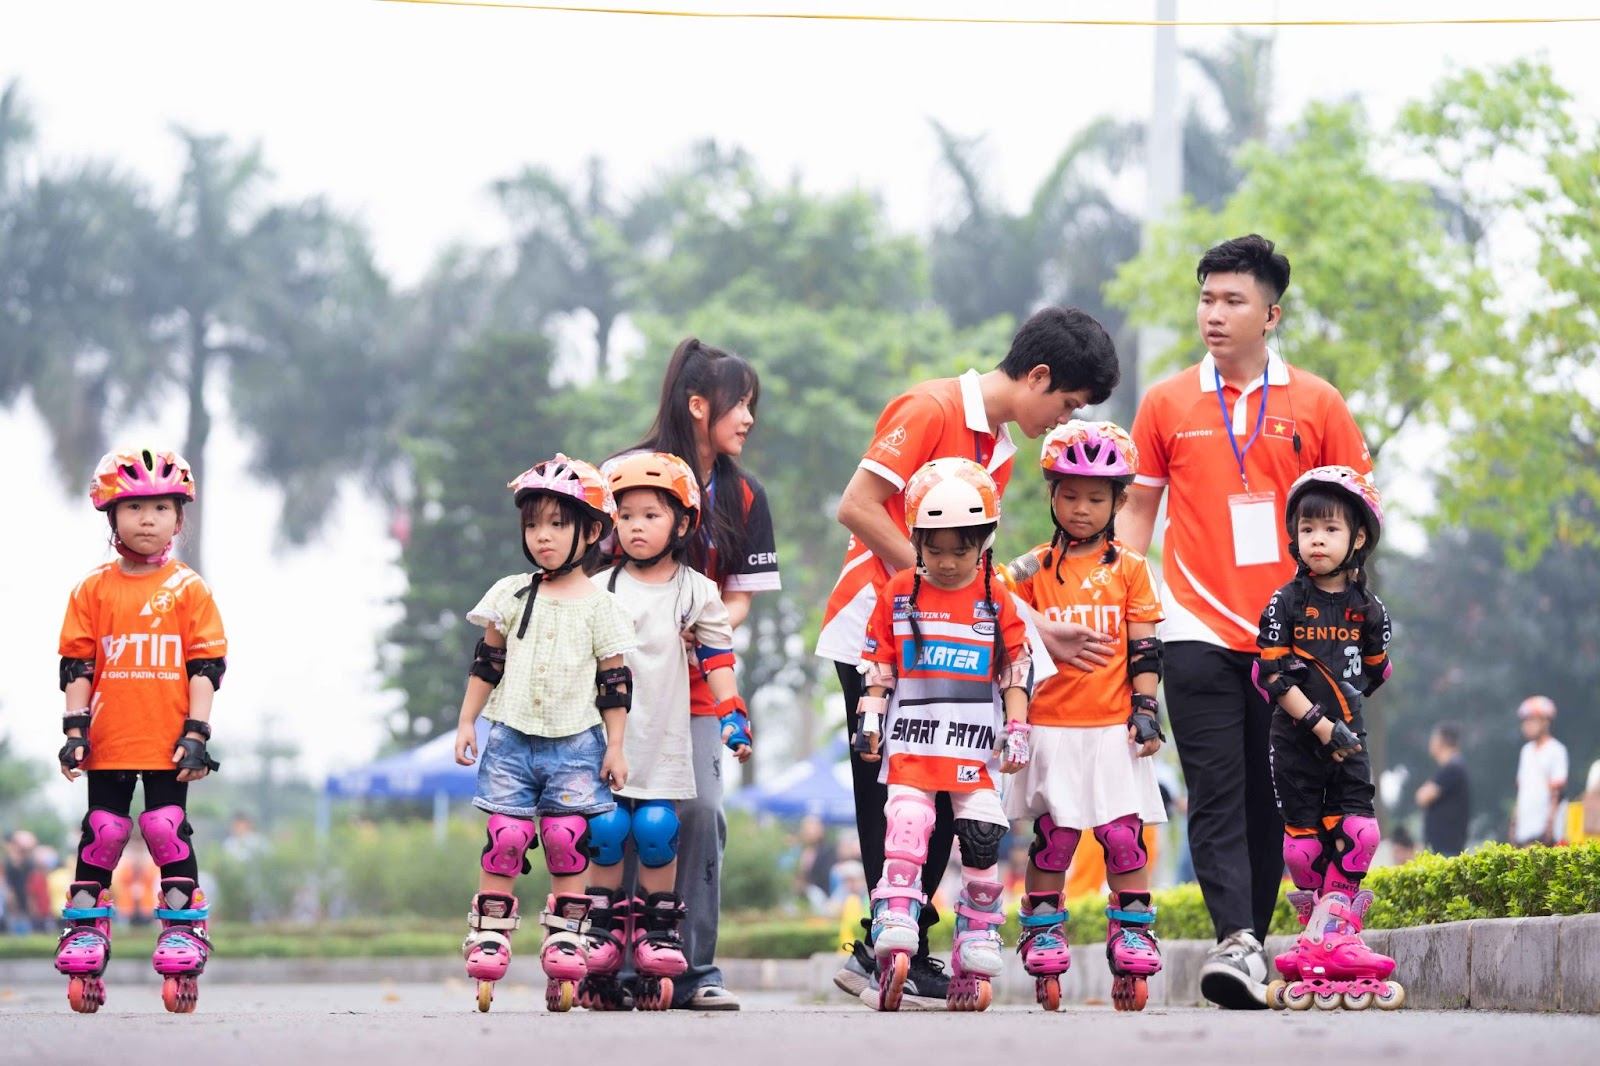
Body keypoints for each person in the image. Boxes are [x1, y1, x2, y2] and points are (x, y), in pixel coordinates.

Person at [818, 307, 1122, 1007]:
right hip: (882, 632)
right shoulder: (929, 408)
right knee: (896, 795)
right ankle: (884, 946)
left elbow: (972, 568)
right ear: (1039, 376)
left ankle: (895, 942)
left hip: (948, 645)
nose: (1064, 418)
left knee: (955, 786)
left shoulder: (1002, 450)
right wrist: (925, 591)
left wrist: (1037, 626)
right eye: (1068, 403)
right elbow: (858, 506)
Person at [1120, 235, 1374, 1009]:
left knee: (1277, 797)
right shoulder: (1165, 402)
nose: (1215, 314)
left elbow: (1359, 516)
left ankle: (1254, 945)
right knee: (1216, 788)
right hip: (1193, 625)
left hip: (1290, 646)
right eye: (1207, 299)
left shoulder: (1319, 403)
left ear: (1272, 314)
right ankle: (1236, 937)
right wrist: (1130, 613)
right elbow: (1136, 511)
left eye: (1233, 301)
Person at [609, 337, 781, 1010]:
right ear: (699, 404)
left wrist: (703, 631)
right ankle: (616, 963)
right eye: (740, 405)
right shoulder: (623, 476)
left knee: (700, 812)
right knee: (621, 815)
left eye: (753, 408)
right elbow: (587, 572)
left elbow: (737, 596)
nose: (749, 420)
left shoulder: (744, 494)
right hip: (623, 688)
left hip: (701, 686)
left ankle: (692, 970)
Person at [452, 455, 637, 1014]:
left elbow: (615, 682)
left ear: (592, 530)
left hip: (577, 745)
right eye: (533, 524)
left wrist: (617, 745)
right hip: (510, 739)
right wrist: (467, 720)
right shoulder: (509, 592)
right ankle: (489, 935)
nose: (543, 536)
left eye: (558, 523)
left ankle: (567, 940)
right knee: (506, 837)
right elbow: (488, 661)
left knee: (564, 842)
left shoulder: (603, 606)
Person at [853, 458, 1033, 1013]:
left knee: (981, 835)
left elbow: (1015, 667)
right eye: (936, 549)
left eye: (963, 549)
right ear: (917, 541)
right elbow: (878, 664)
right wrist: (870, 718)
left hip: (973, 746)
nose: (949, 562)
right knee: (909, 825)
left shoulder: (994, 595)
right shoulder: (899, 593)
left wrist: (1020, 725)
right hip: (912, 740)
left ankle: (976, 932)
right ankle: (897, 913)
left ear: (985, 542)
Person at [1000, 421, 1168, 1013]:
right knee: (1055, 840)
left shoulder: (1132, 570)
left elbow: (1145, 646)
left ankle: (1132, 935)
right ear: (1051, 495)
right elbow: (988, 593)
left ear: (1120, 501)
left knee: (1125, 840)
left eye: (1096, 497)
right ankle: (1043, 937)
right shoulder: (1029, 567)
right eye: (1069, 494)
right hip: (1050, 727)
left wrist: (1147, 708)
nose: (1081, 508)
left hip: (1112, 728)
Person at [54, 446, 227, 1014]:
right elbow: (78, 666)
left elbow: (205, 666)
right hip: (108, 739)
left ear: (180, 518)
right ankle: (84, 929)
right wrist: (74, 732)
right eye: (134, 508)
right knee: (102, 830)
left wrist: (197, 732)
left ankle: (182, 929)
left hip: (166, 739)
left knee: (165, 828)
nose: (147, 518)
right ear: (112, 518)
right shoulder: (92, 590)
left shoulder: (189, 589)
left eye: (160, 506)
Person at [582, 451, 749, 1011]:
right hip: (608, 735)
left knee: (660, 829)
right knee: (606, 831)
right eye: (625, 515)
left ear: (681, 524)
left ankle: (674, 962)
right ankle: (605, 966)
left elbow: (718, 656)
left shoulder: (696, 590)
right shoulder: (597, 588)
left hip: (671, 731)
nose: (635, 526)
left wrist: (732, 714)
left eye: (650, 515)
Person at [1255, 466, 1402, 1011]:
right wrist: (1321, 723)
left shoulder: (1371, 609)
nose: (1316, 539)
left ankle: (1334, 933)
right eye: (1307, 529)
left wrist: (1346, 715)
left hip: (1350, 741)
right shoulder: (1283, 603)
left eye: (1330, 529)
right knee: (1304, 848)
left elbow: (1376, 671)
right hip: (1296, 741)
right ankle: (1317, 930)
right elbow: (1271, 676)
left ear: (1358, 538)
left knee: (1360, 833)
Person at [1509, 696, 1568, 847]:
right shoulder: (1526, 751)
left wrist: (1549, 826)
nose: (1526, 725)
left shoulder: (1556, 750)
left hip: (1544, 828)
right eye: (1525, 721)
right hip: (1525, 826)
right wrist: (1514, 824)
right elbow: (1521, 790)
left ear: (1545, 722)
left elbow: (1556, 792)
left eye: (1532, 720)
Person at [1415, 722, 1471, 856]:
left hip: (1447, 848)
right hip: (1442, 846)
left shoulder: (1454, 768)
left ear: (1440, 742)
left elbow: (1423, 797)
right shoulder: (1451, 768)